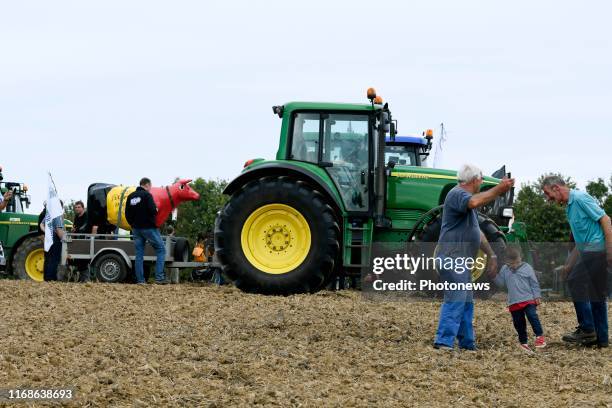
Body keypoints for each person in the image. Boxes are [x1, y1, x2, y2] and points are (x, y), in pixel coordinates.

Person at [433, 164, 514, 351]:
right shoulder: (457, 194)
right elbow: (474, 202)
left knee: (466, 302)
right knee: (456, 299)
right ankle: (443, 341)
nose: (482, 182)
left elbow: (477, 233)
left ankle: (467, 343)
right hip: (453, 259)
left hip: (461, 260)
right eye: (481, 179)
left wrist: (491, 255)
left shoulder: (467, 204)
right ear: (475, 180)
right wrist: (499, 189)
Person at [542, 175, 611, 348]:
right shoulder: (569, 208)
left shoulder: (580, 198)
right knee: (597, 295)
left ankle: (587, 328)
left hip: (597, 250)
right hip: (588, 250)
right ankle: (601, 339)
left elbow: (606, 220)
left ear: (556, 188)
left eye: (547, 193)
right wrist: (569, 265)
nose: (547, 198)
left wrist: (610, 250)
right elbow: (580, 242)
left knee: (576, 281)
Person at [489, 246, 546, 353]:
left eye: (517, 262)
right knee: (519, 323)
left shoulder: (527, 267)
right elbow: (501, 283)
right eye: (512, 263)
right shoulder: (505, 269)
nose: (515, 265)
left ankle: (539, 337)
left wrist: (537, 296)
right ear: (506, 261)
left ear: (521, 258)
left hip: (528, 299)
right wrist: (493, 276)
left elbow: (534, 283)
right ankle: (523, 343)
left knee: (532, 316)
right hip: (514, 301)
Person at [125, 177, 167, 285]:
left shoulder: (130, 197)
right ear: (147, 185)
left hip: (136, 229)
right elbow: (153, 211)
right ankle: (159, 278)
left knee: (139, 254)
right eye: (150, 186)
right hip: (148, 228)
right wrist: (157, 209)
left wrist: (133, 225)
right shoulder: (147, 195)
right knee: (161, 249)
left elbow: (127, 214)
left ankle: (140, 280)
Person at [41, 201, 65, 282]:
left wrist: (47, 232)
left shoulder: (49, 214)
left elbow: (41, 225)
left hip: (48, 239)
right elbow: (59, 230)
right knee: (54, 259)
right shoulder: (57, 215)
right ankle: (51, 279)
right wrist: (64, 240)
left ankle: (46, 278)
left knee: (47, 258)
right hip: (55, 239)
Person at [71, 200, 92, 282]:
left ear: (83, 208)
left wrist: (78, 230)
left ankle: (86, 279)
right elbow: (75, 227)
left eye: (79, 207)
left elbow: (85, 227)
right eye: (76, 207)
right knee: (77, 259)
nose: (77, 209)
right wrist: (73, 230)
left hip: (85, 240)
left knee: (84, 260)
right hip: (77, 240)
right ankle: (80, 279)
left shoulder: (87, 216)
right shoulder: (76, 217)